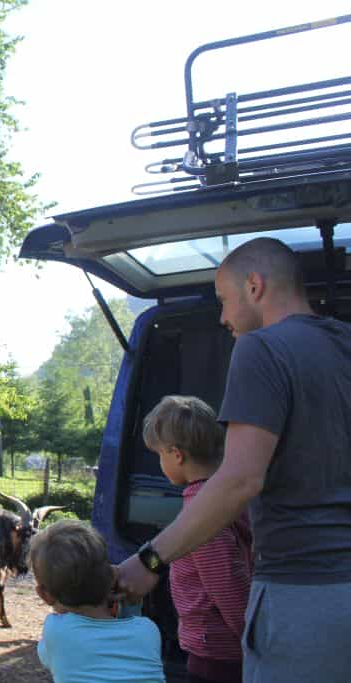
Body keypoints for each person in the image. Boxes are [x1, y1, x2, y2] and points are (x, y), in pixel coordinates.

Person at [114, 237, 351, 682]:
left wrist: (148, 562)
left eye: (224, 300)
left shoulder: (261, 348)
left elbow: (240, 479)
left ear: (255, 286)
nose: (223, 317)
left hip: (301, 597)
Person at [143, 395, 253, 683]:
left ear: (177, 455)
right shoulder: (225, 497)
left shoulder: (203, 512)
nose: (161, 463)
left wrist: (253, 643)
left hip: (216, 656)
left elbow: (228, 587)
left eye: (160, 455)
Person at [31, 519, 165, 683]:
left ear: (44, 595)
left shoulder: (55, 631)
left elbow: (46, 658)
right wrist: (130, 600)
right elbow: (130, 622)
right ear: (111, 576)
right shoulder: (148, 631)